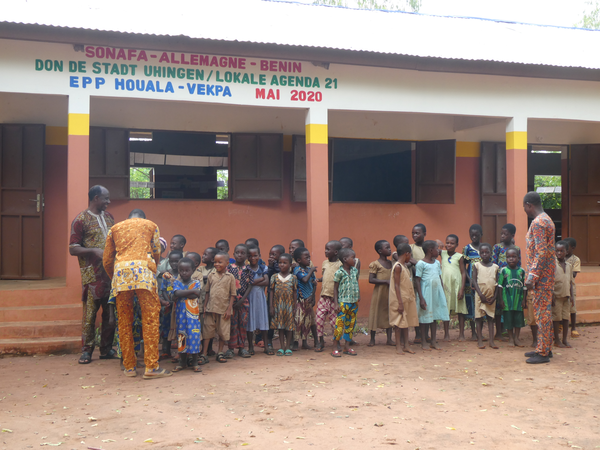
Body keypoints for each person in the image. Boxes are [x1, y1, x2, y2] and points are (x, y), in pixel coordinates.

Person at [102, 208, 172, 379]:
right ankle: (151, 367)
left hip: (121, 274)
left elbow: (107, 258)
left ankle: (129, 367)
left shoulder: (115, 228)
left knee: (124, 321)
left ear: (128, 218)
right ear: (143, 218)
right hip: (144, 274)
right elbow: (156, 251)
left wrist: (115, 276)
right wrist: (153, 268)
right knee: (150, 320)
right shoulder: (151, 225)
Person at [69, 185, 116, 365]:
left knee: (110, 313)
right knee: (90, 315)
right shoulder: (80, 220)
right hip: (92, 275)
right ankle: (87, 351)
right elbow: (73, 249)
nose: (108, 202)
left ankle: (106, 349)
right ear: (96, 198)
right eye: (105, 198)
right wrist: (93, 251)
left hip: (111, 274)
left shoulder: (110, 217)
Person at [523, 191, 557, 364]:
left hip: (541, 276)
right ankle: (545, 347)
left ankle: (543, 352)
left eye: (525, 207)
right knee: (545, 312)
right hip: (547, 273)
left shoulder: (538, 223)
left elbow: (541, 251)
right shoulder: (547, 219)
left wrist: (532, 275)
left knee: (541, 312)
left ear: (529, 205)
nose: (525, 210)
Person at [203, 252, 237, 363]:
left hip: (224, 310)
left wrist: (229, 309)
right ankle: (204, 354)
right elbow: (207, 292)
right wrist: (205, 306)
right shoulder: (211, 275)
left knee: (223, 332)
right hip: (210, 309)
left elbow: (232, 294)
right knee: (208, 331)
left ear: (227, 263)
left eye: (220, 262)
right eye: (215, 262)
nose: (217, 264)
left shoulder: (230, 277)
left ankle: (220, 352)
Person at [415, 240, 449, 351]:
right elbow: (417, 281)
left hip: (436, 293)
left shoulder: (437, 263)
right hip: (426, 294)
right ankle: (424, 341)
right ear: (430, 250)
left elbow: (439, 278)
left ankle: (433, 341)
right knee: (424, 318)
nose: (439, 251)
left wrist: (442, 293)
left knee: (434, 318)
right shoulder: (421, 264)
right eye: (437, 249)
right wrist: (421, 298)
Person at [170, 257, 202, 373]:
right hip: (180, 316)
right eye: (181, 270)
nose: (184, 272)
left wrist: (182, 294)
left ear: (193, 270)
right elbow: (176, 293)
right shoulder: (177, 282)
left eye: (187, 270)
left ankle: (194, 362)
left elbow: (196, 295)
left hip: (193, 316)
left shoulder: (196, 282)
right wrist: (192, 292)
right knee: (181, 337)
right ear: (178, 270)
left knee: (194, 337)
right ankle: (182, 363)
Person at [492, 223, 521, 340]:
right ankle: (499, 331)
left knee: (510, 304)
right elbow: (494, 264)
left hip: (512, 282)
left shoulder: (516, 249)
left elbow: (519, 265)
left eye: (505, 234)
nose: (503, 236)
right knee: (499, 306)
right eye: (501, 234)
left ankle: (509, 331)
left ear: (512, 235)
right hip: (500, 281)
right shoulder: (497, 247)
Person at [389, 242, 417, 355]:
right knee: (398, 324)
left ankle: (406, 345)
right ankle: (398, 347)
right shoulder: (398, 267)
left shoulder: (404, 266)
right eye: (410, 255)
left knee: (406, 323)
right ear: (407, 254)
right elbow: (396, 285)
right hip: (399, 299)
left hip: (407, 298)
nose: (410, 258)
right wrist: (400, 303)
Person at [332, 247, 361, 357]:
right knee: (339, 325)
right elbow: (335, 288)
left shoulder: (355, 271)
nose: (355, 260)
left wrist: (359, 295)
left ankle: (347, 346)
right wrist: (336, 303)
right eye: (353, 258)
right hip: (343, 302)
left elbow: (356, 283)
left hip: (354, 302)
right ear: (345, 259)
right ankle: (335, 346)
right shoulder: (339, 272)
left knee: (351, 325)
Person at [315, 240, 343, 352]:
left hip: (334, 298)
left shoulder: (341, 265)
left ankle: (337, 341)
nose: (325, 251)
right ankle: (320, 340)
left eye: (328, 249)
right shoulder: (324, 263)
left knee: (335, 322)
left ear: (335, 252)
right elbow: (326, 276)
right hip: (324, 296)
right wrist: (319, 280)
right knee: (319, 319)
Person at [269, 253, 298, 356]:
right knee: (280, 326)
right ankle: (281, 347)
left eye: (285, 263)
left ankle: (288, 347)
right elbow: (271, 292)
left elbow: (295, 292)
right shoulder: (274, 277)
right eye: (280, 263)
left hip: (289, 306)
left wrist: (295, 307)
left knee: (289, 327)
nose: (282, 265)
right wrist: (271, 306)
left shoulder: (293, 277)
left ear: (290, 264)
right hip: (278, 305)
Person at [472, 243, 500, 350]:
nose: (484, 254)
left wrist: (494, 297)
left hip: (491, 297)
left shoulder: (495, 267)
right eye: (482, 252)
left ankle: (491, 341)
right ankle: (479, 340)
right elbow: (474, 280)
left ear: (491, 253)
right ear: (479, 254)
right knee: (479, 318)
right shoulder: (477, 265)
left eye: (487, 252)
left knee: (490, 318)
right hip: (480, 296)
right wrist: (480, 294)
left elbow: (497, 284)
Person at [226, 244, 252, 358]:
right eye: (237, 252)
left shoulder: (248, 269)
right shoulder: (229, 268)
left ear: (247, 255)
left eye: (242, 253)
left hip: (243, 301)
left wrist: (241, 301)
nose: (240, 255)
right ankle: (231, 349)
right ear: (233, 254)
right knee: (232, 324)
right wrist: (232, 300)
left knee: (242, 324)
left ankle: (242, 348)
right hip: (231, 301)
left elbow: (250, 286)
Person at [497, 247, 526, 347]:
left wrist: (524, 300)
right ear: (505, 258)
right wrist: (501, 300)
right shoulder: (504, 271)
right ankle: (510, 338)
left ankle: (517, 338)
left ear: (518, 258)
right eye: (508, 257)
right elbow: (500, 286)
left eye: (514, 257)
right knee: (508, 320)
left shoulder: (521, 271)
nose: (511, 259)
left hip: (518, 301)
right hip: (507, 301)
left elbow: (524, 287)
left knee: (518, 320)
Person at [367, 240, 394, 347]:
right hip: (379, 293)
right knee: (375, 313)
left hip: (390, 293)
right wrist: (385, 282)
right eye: (387, 247)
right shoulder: (375, 264)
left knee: (389, 313)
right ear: (380, 251)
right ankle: (372, 339)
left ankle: (389, 339)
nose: (390, 249)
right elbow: (371, 279)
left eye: (389, 247)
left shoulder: (392, 263)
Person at [245, 245, 271, 355]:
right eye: (250, 256)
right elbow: (247, 282)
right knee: (250, 321)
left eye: (255, 256)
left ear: (259, 256)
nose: (253, 258)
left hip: (260, 297)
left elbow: (267, 282)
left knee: (263, 321)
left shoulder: (263, 267)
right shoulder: (246, 269)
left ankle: (266, 346)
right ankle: (251, 346)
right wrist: (261, 279)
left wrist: (253, 281)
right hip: (249, 297)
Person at [441, 234, 467, 341]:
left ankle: (461, 334)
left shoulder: (460, 256)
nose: (449, 245)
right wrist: (440, 244)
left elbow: (463, 272)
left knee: (460, 310)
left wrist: (462, 289)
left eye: (452, 243)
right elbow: (434, 244)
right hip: (445, 286)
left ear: (457, 245)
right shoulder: (442, 254)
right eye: (447, 243)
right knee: (445, 310)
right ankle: (446, 334)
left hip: (457, 285)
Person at [292, 247, 319, 350]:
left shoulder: (308, 270)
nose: (309, 259)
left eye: (309, 257)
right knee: (298, 321)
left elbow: (313, 283)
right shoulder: (297, 270)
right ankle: (295, 342)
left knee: (307, 322)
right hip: (300, 300)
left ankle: (304, 341)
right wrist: (312, 270)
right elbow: (304, 279)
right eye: (306, 257)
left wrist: (313, 296)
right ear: (299, 260)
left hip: (308, 300)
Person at [159, 250, 182, 361]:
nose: (174, 264)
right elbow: (163, 290)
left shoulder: (183, 274)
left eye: (176, 261)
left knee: (180, 328)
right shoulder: (166, 275)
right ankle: (166, 351)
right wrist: (168, 300)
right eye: (171, 261)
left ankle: (180, 352)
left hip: (180, 306)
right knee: (166, 327)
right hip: (168, 306)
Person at [462, 224, 483, 341]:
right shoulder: (467, 248)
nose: (474, 237)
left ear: (481, 235)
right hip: (470, 282)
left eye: (477, 234)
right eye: (472, 235)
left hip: (483, 281)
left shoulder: (485, 248)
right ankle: (473, 332)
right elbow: (463, 266)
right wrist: (469, 279)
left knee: (481, 305)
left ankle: (480, 331)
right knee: (471, 306)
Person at [552, 240, 574, 349]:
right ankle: (557, 339)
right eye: (557, 251)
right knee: (556, 319)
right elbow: (550, 282)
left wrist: (572, 297)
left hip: (566, 296)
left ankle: (565, 339)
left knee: (566, 318)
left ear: (567, 251)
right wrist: (551, 296)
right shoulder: (553, 265)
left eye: (562, 251)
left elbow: (570, 282)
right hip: (556, 296)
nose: (559, 253)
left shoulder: (569, 265)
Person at [410, 224, 427, 343]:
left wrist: (416, 263)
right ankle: (418, 334)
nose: (415, 235)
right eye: (413, 233)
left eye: (417, 233)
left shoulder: (428, 247)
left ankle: (426, 333)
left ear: (424, 234)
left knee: (427, 306)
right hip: (416, 282)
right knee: (417, 308)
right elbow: (397, 253)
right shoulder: (410, 248)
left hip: (427, 281)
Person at [564, 237, 581, 338]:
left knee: (572, 307)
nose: (564, 250)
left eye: (567, 248)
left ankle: (573, 328)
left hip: (570, 286)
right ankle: (561, 324)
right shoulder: (559, 257)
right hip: (560, 286)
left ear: (573, 248)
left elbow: (574, 274)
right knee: (561, 305)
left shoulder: (575, 259)